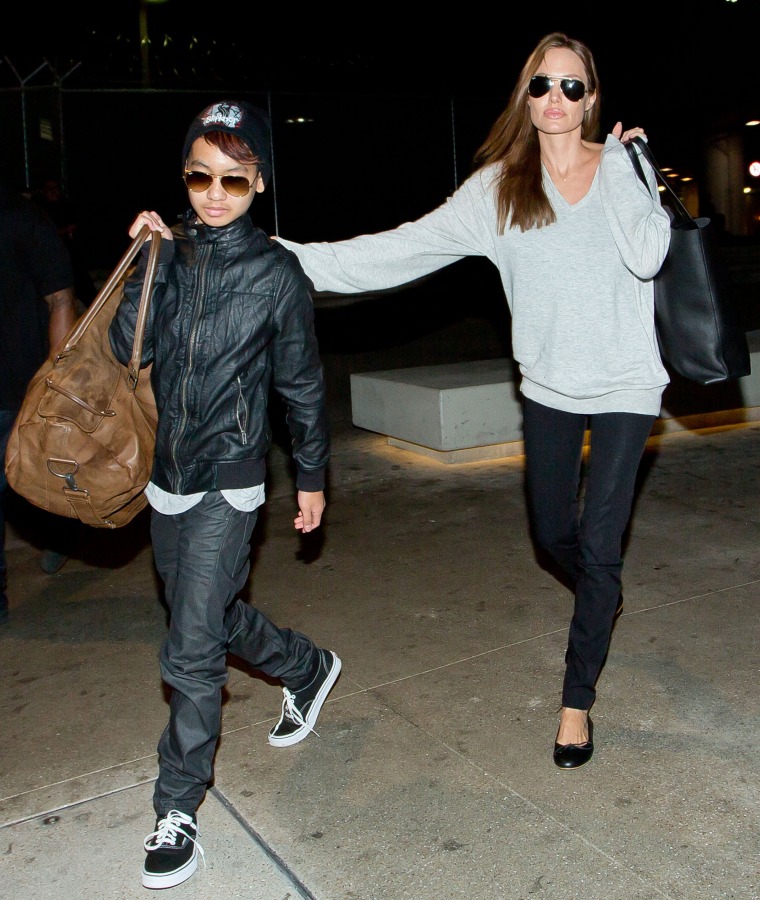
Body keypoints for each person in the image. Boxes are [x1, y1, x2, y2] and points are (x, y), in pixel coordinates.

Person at [275, 33, 671, 770]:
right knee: (555, 533)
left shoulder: (623, 166)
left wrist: (624, 164)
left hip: (627, 384)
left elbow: (650, 255)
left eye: (573, 88)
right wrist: (271, 252)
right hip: (549, 387)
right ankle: (599, 593)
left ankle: (575, 701)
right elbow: (392, 250)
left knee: (601, 540)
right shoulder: (497, 190)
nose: (556, 100)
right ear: (525, 96)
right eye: (542, 86)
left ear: (593, 99)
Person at [108, 100, 342, 890]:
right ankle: (304, 666)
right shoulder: (167, 255)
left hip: (233, 476)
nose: (214, 193)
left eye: (233, 179)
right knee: (205, 619)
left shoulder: (275, 273)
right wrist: (142, 262)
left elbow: (301, 384)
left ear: (259, 182)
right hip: (165, 476)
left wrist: (311, 474)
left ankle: (176, 812)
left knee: (190, 651)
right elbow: (122, 349)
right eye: (199, 175)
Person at [0, 182, 79, 623]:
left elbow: (61, 297)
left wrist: (58, 378)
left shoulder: (21, 216)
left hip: (20, 380)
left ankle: (61, 529)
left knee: (29, 475)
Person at [34, 177, 97, 308]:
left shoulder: (66, 206)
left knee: (87, 291)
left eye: (55, 188)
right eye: (49, 189)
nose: (53, 192)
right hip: (49, 263)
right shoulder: (38, 211)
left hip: (71, 259)